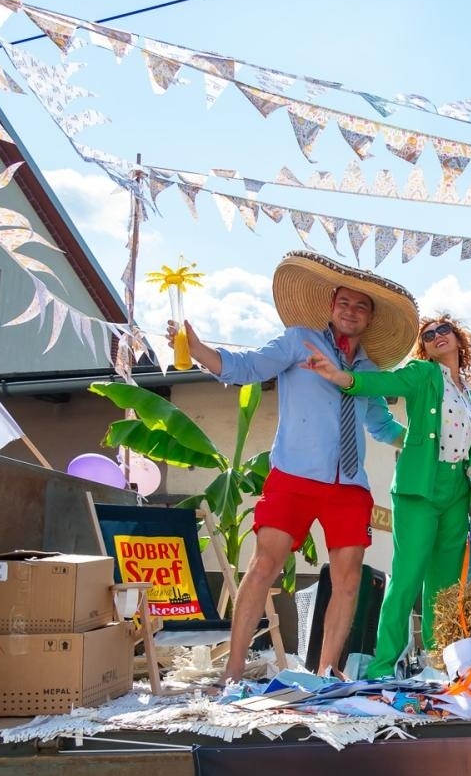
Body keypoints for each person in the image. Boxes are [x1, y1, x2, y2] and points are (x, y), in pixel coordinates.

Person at [166, 250, 417, 682]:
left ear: (369, 318)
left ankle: (323, 672)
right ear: (331, 306)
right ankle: (234, 668)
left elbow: (382, 426)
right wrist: (200, 349)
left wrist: (433, 447)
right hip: (294, 476)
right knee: (264, 565)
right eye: (345, 303)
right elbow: (246, 367)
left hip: (349, 485)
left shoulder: (369, 370)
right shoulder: (297, 340)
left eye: (362, 306)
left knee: (350, 579)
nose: (352, 311)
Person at [304, 312, 471, 678]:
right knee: (407, 577)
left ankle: (439, 661)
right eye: (429, 334)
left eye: (444, 329)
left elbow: (465, 437)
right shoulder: (423, 374)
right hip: (419, 488)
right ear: (425, 348)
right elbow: (381, 383)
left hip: (457, 491)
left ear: (458, 338)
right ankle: (382, 665)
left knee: (446, 585)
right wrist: (341, 377)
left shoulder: (469, 394)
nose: (438, 335)